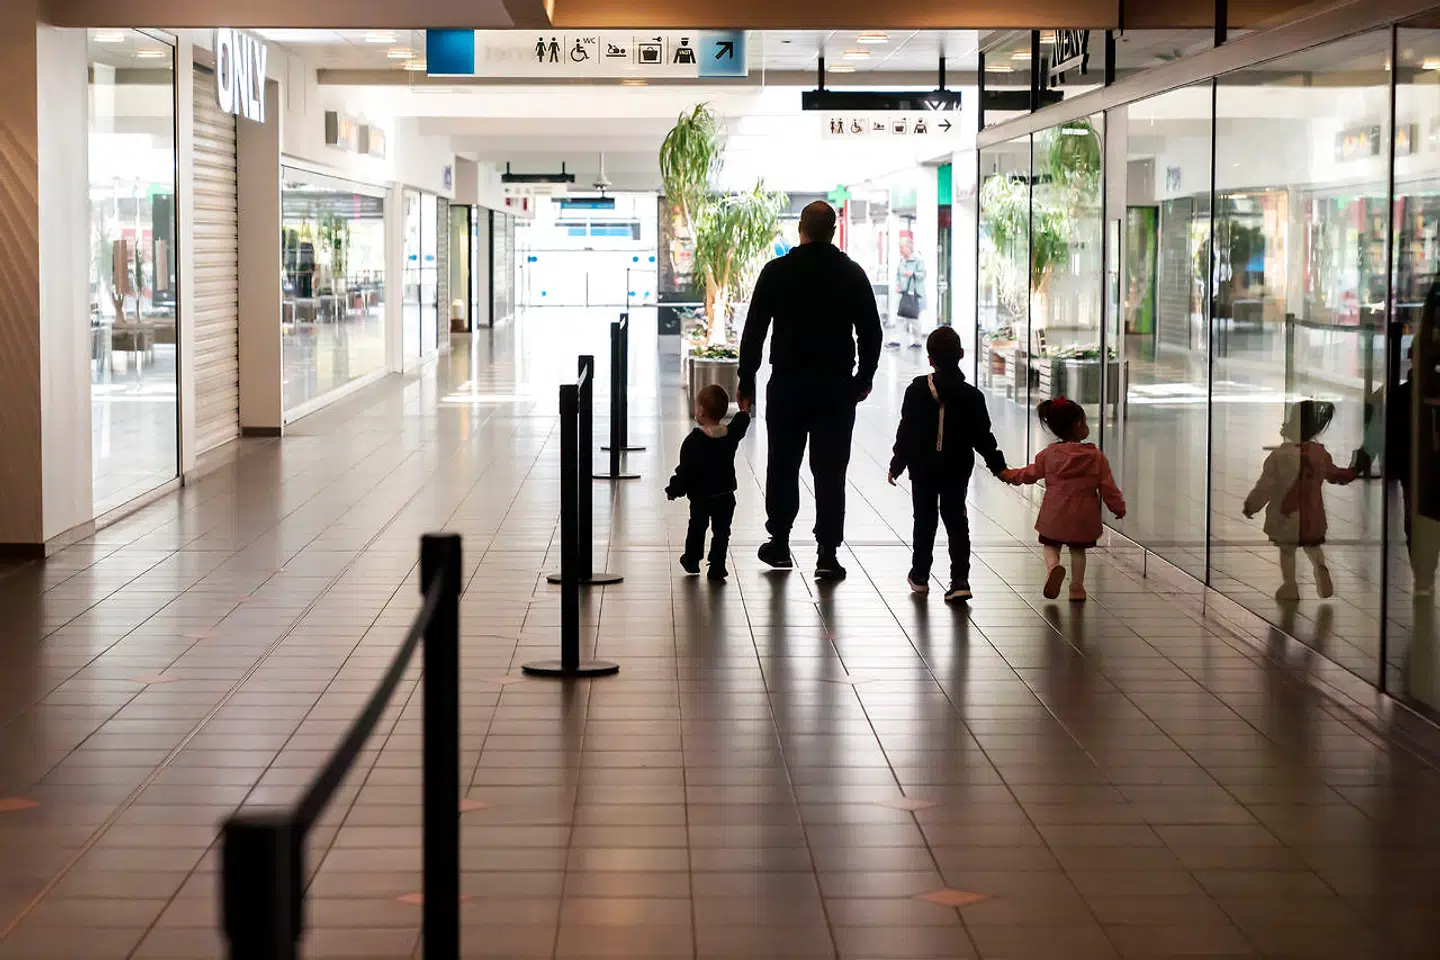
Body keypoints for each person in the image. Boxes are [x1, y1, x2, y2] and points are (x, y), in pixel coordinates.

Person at [738, 200, 883, 581]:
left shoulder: (777, 272)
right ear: (833, 232)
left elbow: (754, 330)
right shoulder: (851, 274)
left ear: (799, 229)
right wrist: (864, 378)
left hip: (787, 385)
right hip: (836, 388)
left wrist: (746, 378)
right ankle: (827, 553)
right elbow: (871, 331)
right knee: (830, 470)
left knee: (783, 464)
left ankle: (780, 543)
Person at [887, 327, 1008, 603]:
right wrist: (998, 466)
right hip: (956, 470)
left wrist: (898, 462)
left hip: (923, 469)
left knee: (925, 520)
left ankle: (920, 575)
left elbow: (906, 430)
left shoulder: (917, 390)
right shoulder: (972, 396)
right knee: (956, 521)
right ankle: (960, 579)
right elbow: (983, 437)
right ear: (961, 355)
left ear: (930, 359)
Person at [1001, 398, 1125, 602]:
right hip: (1084, 515)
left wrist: (1008, 475)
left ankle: (1053, 568)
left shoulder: (1049, 455)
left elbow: (1030, 474)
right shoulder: (1096, 457)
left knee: (1050, 545)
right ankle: (1077, 587)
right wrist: (1117, 507)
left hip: (1055, 513)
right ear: (1078, 425)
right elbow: (1108, 487)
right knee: (1078, 549)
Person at [1242, 400, 1357, 602]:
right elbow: (1334, 474)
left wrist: (1252, 505)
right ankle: (1320, 567)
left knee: (1287, 551)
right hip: (1312, 515)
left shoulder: (1278, 456)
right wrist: (1353, 470)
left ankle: (1290, 586)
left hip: (1286, 515)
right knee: (1312, 547)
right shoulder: (1319, 454)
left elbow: (1265, 487)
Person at [665, 384, 751, 582]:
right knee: (722, 531)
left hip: (701, 497)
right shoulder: (730, 435)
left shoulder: (693, 442)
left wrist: (674, 489)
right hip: (725, 495)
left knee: (697, 526)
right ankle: (718, 565)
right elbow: (741, 423)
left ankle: (692, 559)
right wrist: (744, 410)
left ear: (701, 412)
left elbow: (685, 472)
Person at [888, 237, 927, 350]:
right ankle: (897, 340)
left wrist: (913, 274)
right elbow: (898, 274)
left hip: (914, 295)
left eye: (902, 247)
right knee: (900, 317)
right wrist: (897, 284)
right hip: (903, 294)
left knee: (913, 318)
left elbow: (923, 275)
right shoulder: (902, 261)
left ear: (909, 247)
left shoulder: (918, 260)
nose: (900, 249)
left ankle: (917, 341)